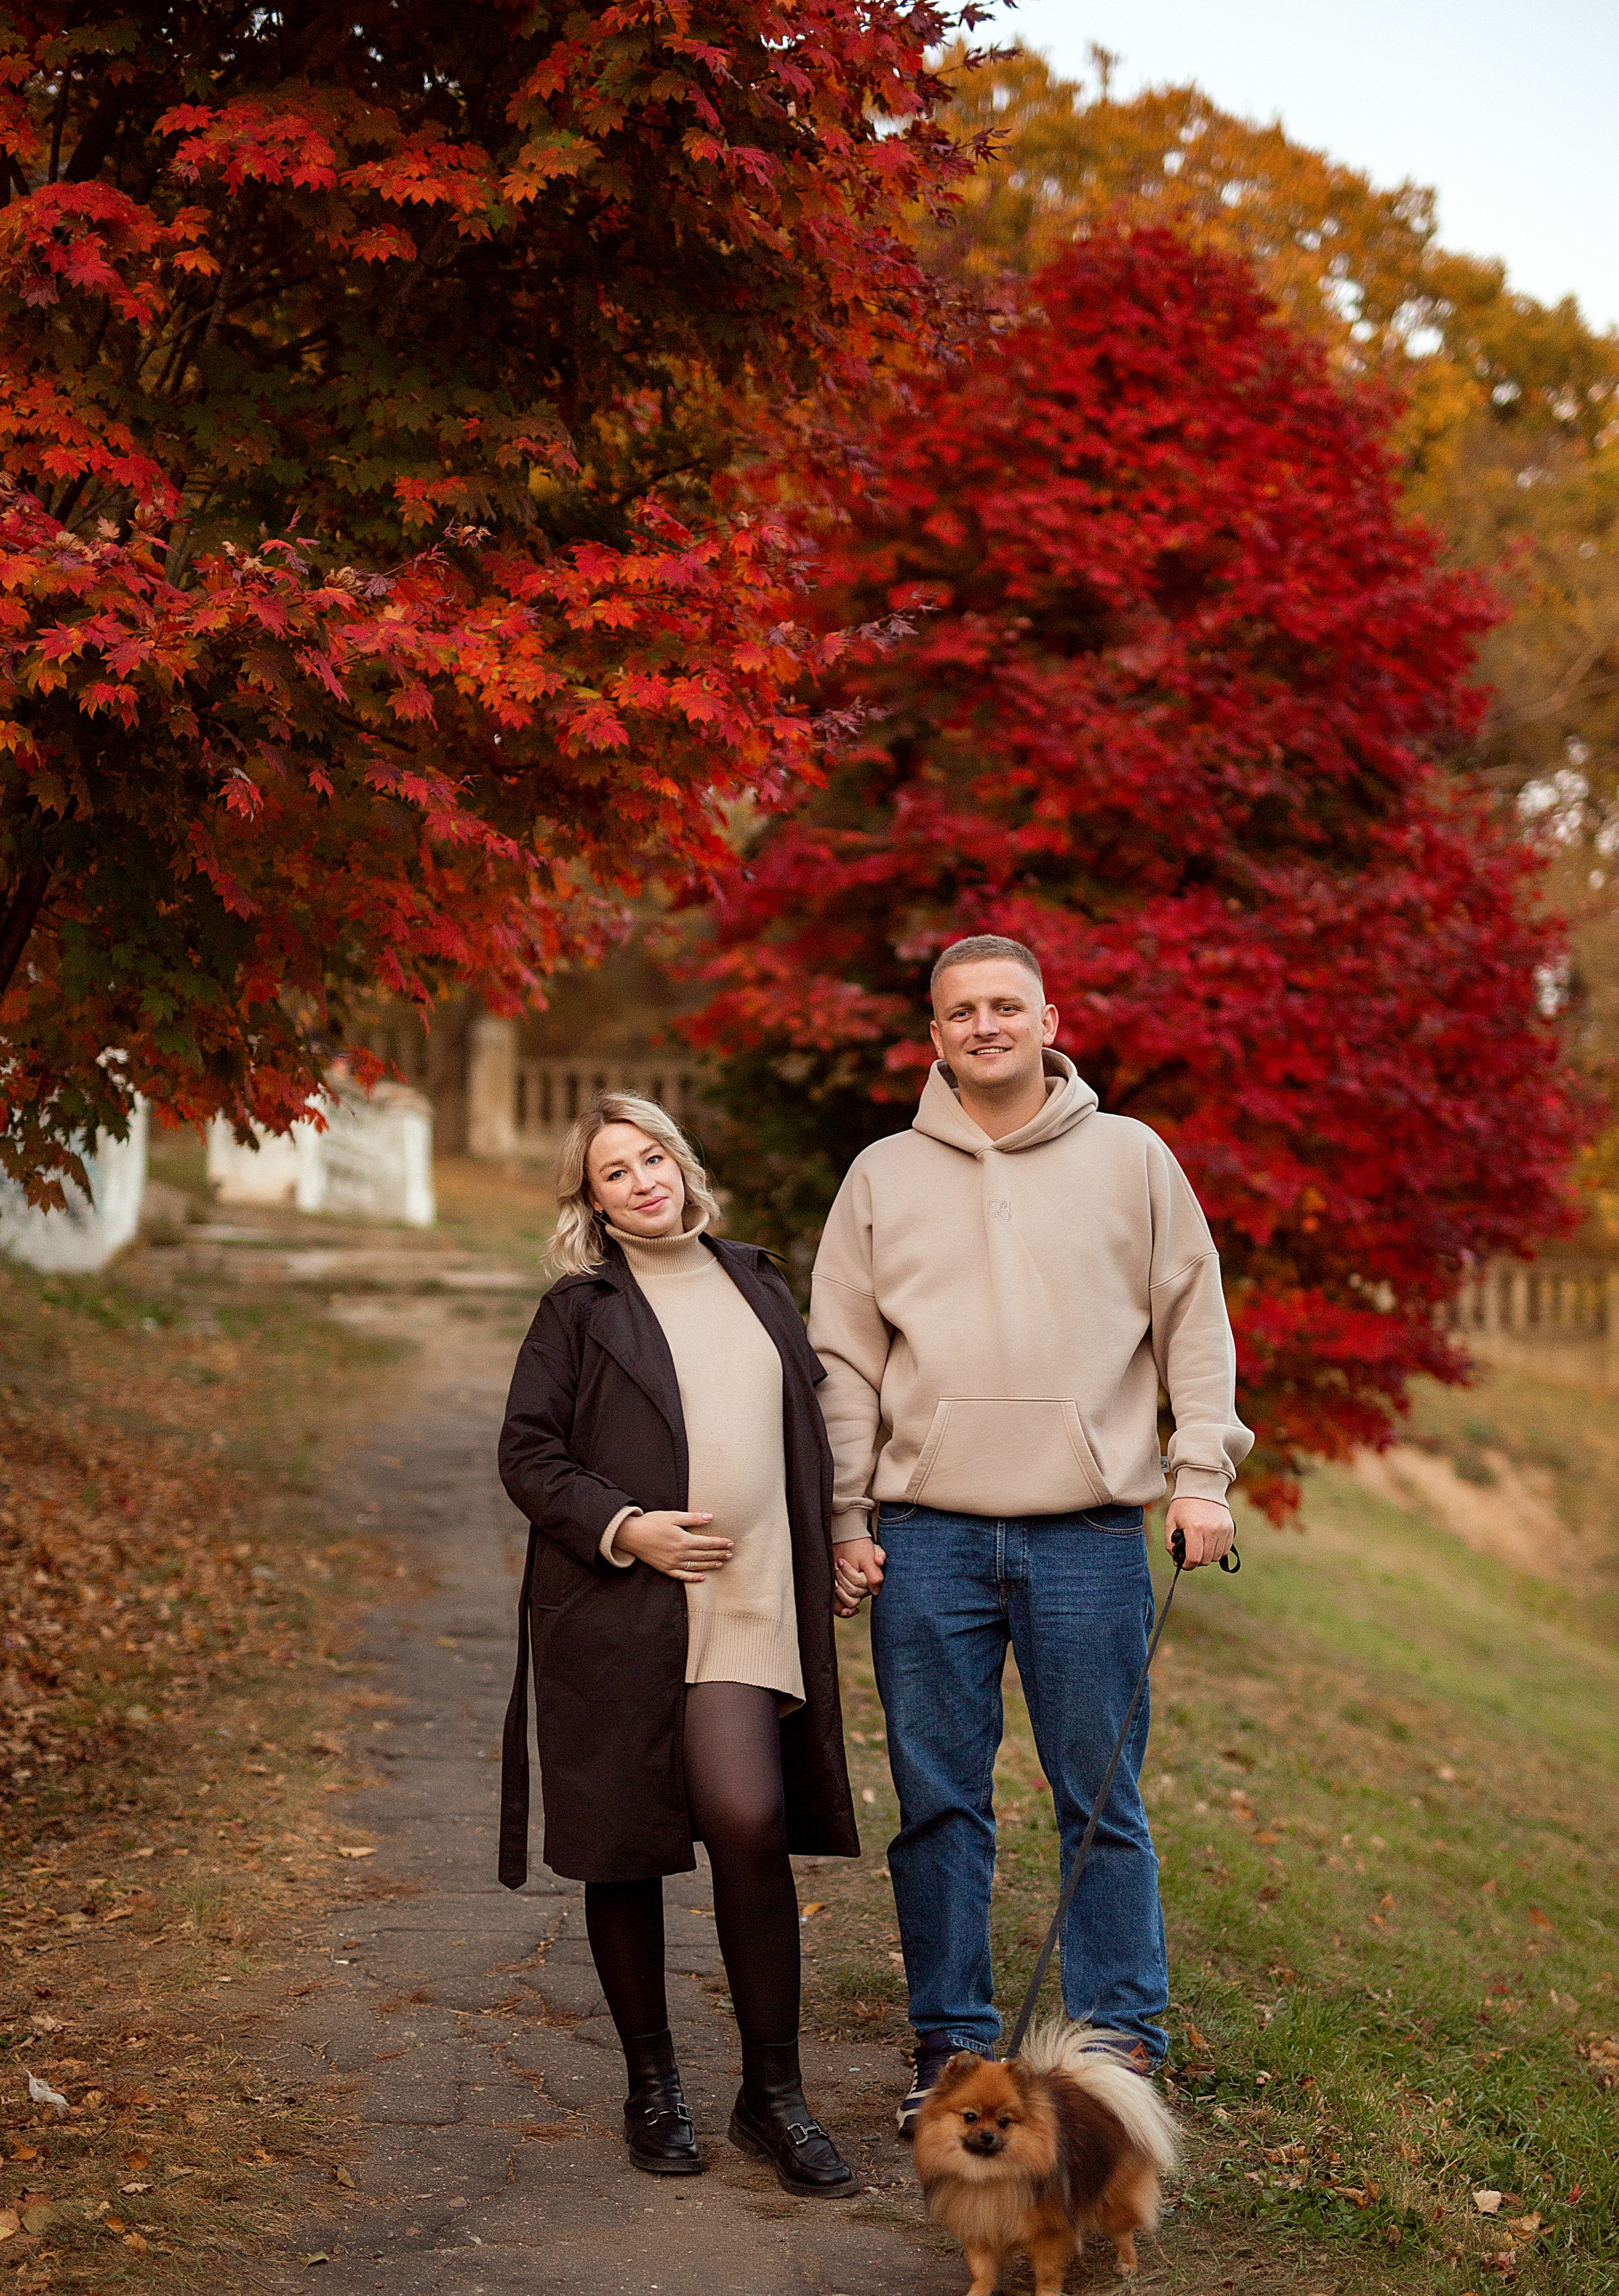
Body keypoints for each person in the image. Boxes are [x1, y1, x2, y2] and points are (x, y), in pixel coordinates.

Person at [812, 936, 1252, 2135]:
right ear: (935, 1033)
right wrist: (847, 1516)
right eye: (964, 1011)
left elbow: (1194, 1324)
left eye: (1008, 1004)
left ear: (1050, 1017)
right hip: (927, 1537)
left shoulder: (1133, 1159)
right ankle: (952, 2048)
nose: (987, 1024)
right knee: (939, 1801)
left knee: (1099, 1797)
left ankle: (1117, 2052)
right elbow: (845, 1365)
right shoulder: (882, 1177)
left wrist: (1200, 1473)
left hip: (1089, 1536)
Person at [498, 1092, 859, 2194]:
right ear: (593, 1203)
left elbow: (811, 1424)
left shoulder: (758, 1280)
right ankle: (651, 2085)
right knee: (626, 1841)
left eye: (653, 1157)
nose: (643, 1181)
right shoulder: (580, 1309)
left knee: (748, 1820)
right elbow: (527, 1453)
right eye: (615, 1172)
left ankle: (773, 2095)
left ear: (682, 1164)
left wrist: (844, 1535)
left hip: (751, 1597)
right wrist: (628, 1527)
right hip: (622, 1608)